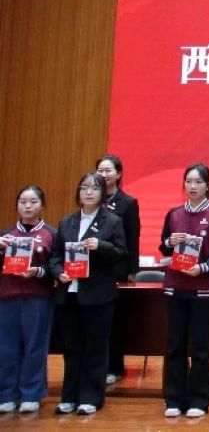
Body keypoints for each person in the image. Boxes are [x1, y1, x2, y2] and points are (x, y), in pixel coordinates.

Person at [157, 163, 209, 419]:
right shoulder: (174, 214)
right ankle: (174, 398)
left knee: (200, 346)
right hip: (175, 287)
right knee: (175, 345)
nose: (193, 186)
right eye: (189, 181)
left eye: (198, 182)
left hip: (203, 290)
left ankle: (199, 399)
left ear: (208, 186)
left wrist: (203, 267)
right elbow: (164, 247)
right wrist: (169, 242)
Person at [49, 172, 127, 416]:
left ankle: (91, 397)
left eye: (94, 188)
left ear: (102, 193)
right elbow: (55, 256)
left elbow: (121, 253)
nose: (89, 192)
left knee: (95, 347)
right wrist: (59, 272)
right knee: (72, 348)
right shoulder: (66, 222)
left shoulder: (112, 221)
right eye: (84, 188)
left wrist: (100, 246)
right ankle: (69, 397)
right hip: (69, 293)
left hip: (98, 294)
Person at [0, 186, 57, 414]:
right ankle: (6, 394)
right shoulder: (7, 234)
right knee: (6, 348)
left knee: (35, 346)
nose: (28, 206)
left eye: (33, 201)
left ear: (42, 205)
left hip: (38, 298)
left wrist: (38, 272)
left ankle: (31, 394)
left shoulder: (50, 234)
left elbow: (56, 267)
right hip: (7, 297)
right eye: (23, 201)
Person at [95, 154, 141, 386]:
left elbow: (133, 238)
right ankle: (95, 366)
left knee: (114, 321)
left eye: (108, 170)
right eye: (100, 171)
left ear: (119, 174)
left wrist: (132, 271)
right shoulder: (91, 199)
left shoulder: (128, 203)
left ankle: (114, 366)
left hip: (117, 269)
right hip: (93, 268)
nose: (104, 175)